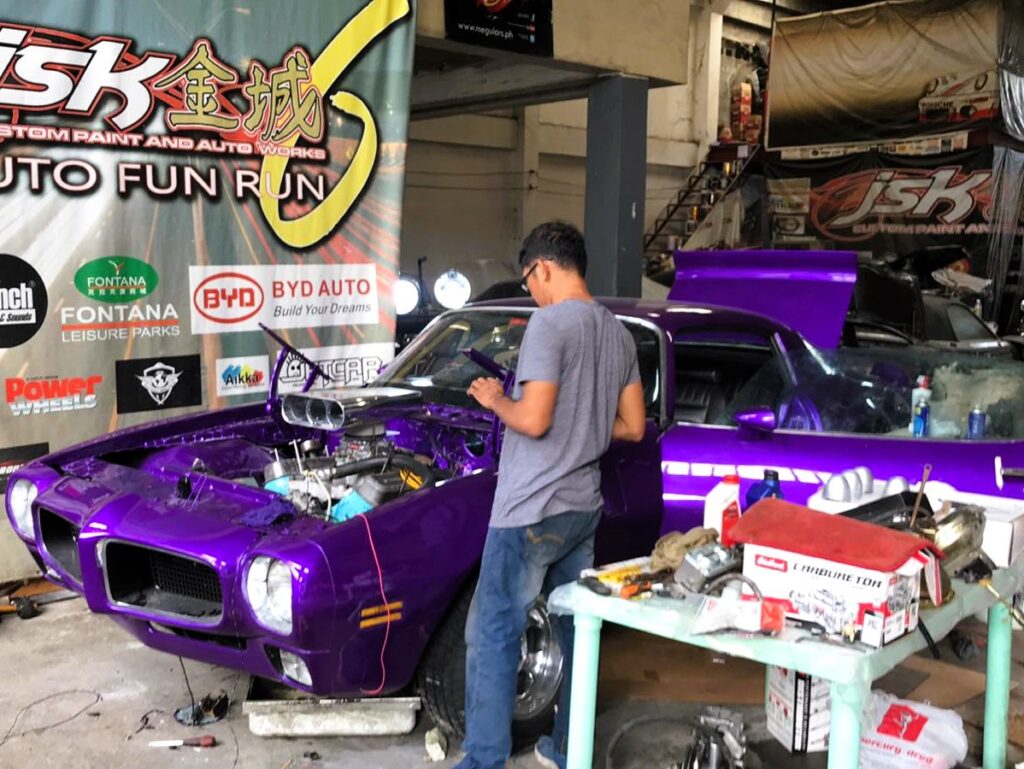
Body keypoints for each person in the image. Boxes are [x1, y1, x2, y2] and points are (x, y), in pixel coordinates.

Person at [456, 221, 647, 769]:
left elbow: (534, 420)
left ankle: (483, 761)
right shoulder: (617, 332)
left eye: (529, 282)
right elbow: (634, 426)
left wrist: (495, 399)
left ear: (542, 268)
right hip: (582, 508)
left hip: (530, 507)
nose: (533, 293)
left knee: (493, 631)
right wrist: (582, 425)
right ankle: (567, 749)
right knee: (574, 629)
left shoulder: (549, 322)